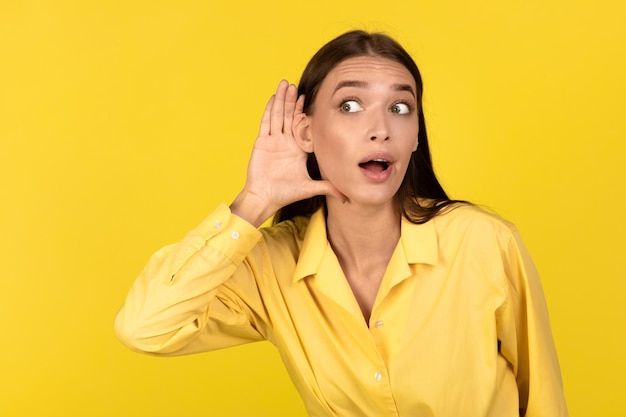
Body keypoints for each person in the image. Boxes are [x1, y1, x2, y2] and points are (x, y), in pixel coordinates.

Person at [114, 30, 568, 416]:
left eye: (400, 108)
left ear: (414, 138)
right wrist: (253, 201)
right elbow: (144, 327)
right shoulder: (272, 266)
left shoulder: (481, 241)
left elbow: (543, 398)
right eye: (350, 106)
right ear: (307, 132)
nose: (380, 129)